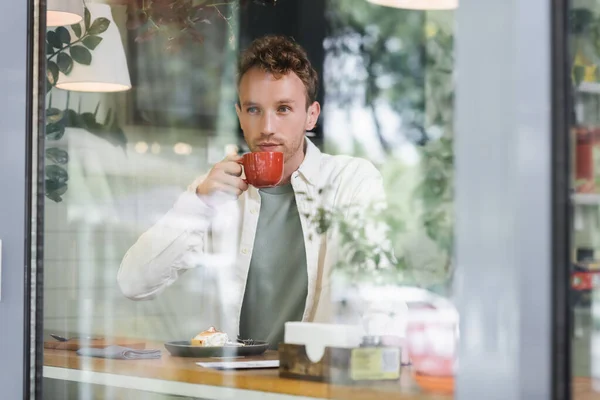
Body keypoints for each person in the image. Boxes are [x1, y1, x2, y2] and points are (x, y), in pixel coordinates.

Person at [117, 35, 385, 349]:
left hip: (314, 381)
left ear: (311, 115)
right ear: (240, 115)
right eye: (254, 109)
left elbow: (376, 288)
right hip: (235, 384)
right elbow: (133, 283)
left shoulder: (350, 180)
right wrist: (200, 204)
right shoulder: (214, 188)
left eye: (283, 109)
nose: (267, 127)